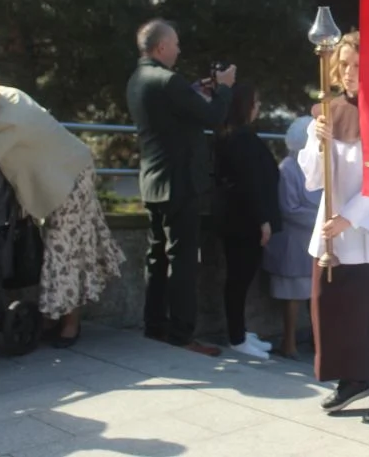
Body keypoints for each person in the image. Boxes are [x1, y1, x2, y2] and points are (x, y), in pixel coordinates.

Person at [0, 62, 124, 348]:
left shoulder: (10, 121)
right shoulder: (4, 95)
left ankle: (69, 324)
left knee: (64, 254)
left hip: (68, 181)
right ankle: (55, 317)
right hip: (69, 169)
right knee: (63, 252)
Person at [299, 31, 369, 423]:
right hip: (334, 236)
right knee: (333, 310)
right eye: (344, 64)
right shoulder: (328, 109)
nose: (350, 71)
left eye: (358, 65)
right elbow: (312, 177)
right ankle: (350, 379)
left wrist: (351, 216)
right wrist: (318, 142)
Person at [126, 18, 235, 356]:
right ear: (160, 47)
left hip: (154, 180)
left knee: (157, 256)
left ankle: (155, 325)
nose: (179, 49)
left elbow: (173, 112)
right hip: (180, 182)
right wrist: (226, 87)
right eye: (175, 43)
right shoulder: (167, 80)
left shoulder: (139, 78)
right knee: (183, 259)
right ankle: (182, 333)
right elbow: (214, 118)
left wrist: (193, 92)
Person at [213, 82, 281, 359]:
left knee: (241, 279)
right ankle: (237, 337)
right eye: (255, 103)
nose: (258, 108)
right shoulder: (240, 138)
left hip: (239, 218)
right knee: (239, 279)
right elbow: (249, 183)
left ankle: (240, 331)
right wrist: (262, 220)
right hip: (244, 221)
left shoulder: (233, 135)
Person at [262, 115, 320, 359]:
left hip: (310, 240)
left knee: (314, 294)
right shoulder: (288, 168)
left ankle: (318, 343)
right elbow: (289, 208)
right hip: (293, 241)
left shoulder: (316, 166)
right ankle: (289, 343)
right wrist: (320, 218)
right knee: (293, 296)